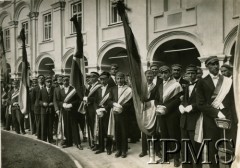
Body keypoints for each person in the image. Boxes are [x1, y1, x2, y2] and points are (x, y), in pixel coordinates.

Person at [196, 56, 234, 168]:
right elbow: (201, 104)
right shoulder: (202, 82)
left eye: (217, 63)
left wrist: (225, 112)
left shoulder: (227, 81)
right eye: (212, 64)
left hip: (226, 118)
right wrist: (217, 113)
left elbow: (231, 101)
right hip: (210, 120)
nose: (216, 66)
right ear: (207, 66)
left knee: (228, 147)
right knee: (213, 149)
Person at [155, 65, 182, 167]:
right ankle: (166, 156)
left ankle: (176, 158)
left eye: (166, 72)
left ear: (170, 73)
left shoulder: (176, 84)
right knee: (164, 136)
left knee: (174, 135)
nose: (164, 74)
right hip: (161, 114)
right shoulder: (159, 86)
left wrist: (166, 108)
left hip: (172, 114)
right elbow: (156, 99)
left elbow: (178, 99)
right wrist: (158, 106)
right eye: (161, 73)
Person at [179, 65, 202, 168]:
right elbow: (184, 101)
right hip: (184, 121)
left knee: (195, 148)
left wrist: (192, 107)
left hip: (195, 121)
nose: (190, 75)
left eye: (193, 73)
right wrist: (181, 105)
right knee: (185, 147)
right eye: (188, 73)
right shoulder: (186, 86)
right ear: (186, 75)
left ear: (196, 74)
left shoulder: (201, 85)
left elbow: (203, 102)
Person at [107, 72, 132, 158]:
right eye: (118, 78)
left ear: (124, 79)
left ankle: (124, 150)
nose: (119, 80)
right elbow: (109, 101)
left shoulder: (128, 89)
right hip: (115, 113)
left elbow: (130, 103)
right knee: (117, 132)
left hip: (124, 114)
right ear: (116, 80)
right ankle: (118, 150)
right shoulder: (112, 89)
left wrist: (122, 107)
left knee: (124, 132)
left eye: (121, 78)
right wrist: (114, 104)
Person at [59, 75, 82, 149]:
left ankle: (78, 143)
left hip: (73, 111)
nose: (66, 82)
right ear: (62, 82)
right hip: (65, 111)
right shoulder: (61, 90)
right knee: (67, 126)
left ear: (69, 81)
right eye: (64, 81)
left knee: (74, 126)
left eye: (67, 80)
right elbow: (58, 101)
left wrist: (71, 104)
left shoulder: (73, 89)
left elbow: (78, 100)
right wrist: (63, 104)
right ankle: (69, 142)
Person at [94, 71, 113, 155]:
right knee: (100, 131)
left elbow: (111, 100)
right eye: (101, 79)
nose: (102, 81)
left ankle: (108, 148)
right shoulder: (98, 89)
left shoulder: (111, 89)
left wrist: (104, 109)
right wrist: (97, 110)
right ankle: (101, 148)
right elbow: (95, 102)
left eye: (104, 79)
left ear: (108, 79)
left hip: (107, 112)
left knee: (107, 131)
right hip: (99, 113)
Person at [84, 72, 101, 149]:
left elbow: (98, 98)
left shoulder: (99, 86)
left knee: (96, 126)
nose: (91, 78)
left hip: (94, 109)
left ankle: (98, 143)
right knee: (91, 125)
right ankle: (93, 142)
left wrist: (88, 99)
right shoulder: (90, 86)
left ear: (97, 77)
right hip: (89, 109)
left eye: (93, 76)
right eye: (90, 77)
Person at [39, 76, 55, 143]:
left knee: (50, 125)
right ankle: (44, 139)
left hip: (51, 110)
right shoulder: (42, 90)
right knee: (44, 125)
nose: (49, 83)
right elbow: (39, 100)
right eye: (48, 82)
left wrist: (53, 103)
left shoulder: (54, 90)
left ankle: (50, 139)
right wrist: (43, 103)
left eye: (50, 82)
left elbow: (56, 99)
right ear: (45, 83)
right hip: (44, 110)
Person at [32, 74, 45, 139]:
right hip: (37, 108)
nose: (41, 79)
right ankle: (38, 135)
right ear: (38, 80)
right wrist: (34, 107)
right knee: (38, 122)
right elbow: (33, 99)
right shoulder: (35, 89)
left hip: (44, 107)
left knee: (44, 122)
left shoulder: (46, 87)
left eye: (42, 78)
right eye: (40, 78)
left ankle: (43, 135)